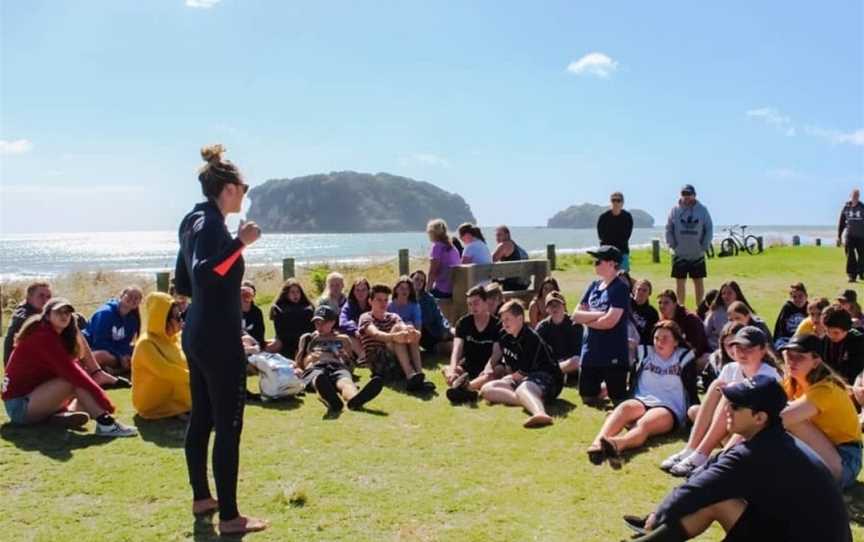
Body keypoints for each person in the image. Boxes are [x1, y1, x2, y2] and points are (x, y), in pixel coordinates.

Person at [627, 375, 852, 542]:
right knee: (716, 500)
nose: (726, 409)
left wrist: (658, 516)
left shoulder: (754, 453)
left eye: (735, 406)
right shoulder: (774, 441)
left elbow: (693, 491)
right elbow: (707, 472)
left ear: (759, 417)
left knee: (712, 500)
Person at [174, 144, 268, 534]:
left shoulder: (191, 221)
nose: (245, 193)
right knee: (228, 424)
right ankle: (230, 517)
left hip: (196, 332)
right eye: (243, 187)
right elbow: (208, 272)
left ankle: (202, 497)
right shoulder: (213, 225)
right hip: (217, 337)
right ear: (227, 188)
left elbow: (184, 280)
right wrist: (241, 244)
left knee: (202, 417)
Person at [2, 297, 137, 436]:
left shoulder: (55, 334)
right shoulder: (43, 337)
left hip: (32, 397)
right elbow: (73, 373)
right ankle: (106, 424)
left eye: (67, 312)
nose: (64, 315)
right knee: (74, 381)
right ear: (47, 316)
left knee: (82, 387)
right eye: (58, 312)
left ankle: (62, 416)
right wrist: (105, 403)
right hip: (18, 407)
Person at [661, 326, 780, 477]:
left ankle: (709, 458)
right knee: (717, 387)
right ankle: (692, 450)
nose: (742, 353)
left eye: (749, 348)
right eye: (738, 347)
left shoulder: (768, 377)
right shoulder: (731, 368)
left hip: (757, 435)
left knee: (731, 394)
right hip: (732, 428)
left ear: (763, 350)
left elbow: (755, 421)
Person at [588, 321, 698, 469]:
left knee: (644, 423)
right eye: (657, 338)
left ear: (676, 341)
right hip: (642, 399)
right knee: (625, 407)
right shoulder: (645, 353)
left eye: (665, 338)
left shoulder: (684, 357)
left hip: (668, 406)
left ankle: (617, 444)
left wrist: (692, 419)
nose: (660, 342)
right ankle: (597, 443)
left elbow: (692, 389)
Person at [779, 334, 862, 489]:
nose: (792, 361)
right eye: (789, 355)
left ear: (816, 361)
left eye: (800, 357)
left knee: (790, 420)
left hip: (845, 460)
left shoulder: (825, 389)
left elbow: (780, 418)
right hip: (820, 453)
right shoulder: (792, 382)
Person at [480, 300, 563, 428]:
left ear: (520, 319)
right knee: (487, 389)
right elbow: (511, 367)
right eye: (502, 320)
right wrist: (508, 378)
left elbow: (523, 371)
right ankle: (528, 400)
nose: (504, 323)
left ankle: (540, 414)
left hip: (548, 378)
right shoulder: (504, 335)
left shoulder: (531, 337)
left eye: (508, 319)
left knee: (523, 388)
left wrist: (510, 378)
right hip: (523, 378)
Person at [570, 246, 630, 405]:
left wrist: (587, 319)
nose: (595, 264)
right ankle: (605, 389)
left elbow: (609, 322)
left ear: (611, 264)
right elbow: (575, 315)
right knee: (587, 398)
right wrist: (600, 314)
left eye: (598, 261)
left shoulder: (620, 288)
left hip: (613, 354)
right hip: (591, 353)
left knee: (618, 399)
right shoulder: (593, 286)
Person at [295, 306, 383, 412]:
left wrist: (345, 357)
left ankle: (354, 399)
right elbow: (298, 363)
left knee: (346, 382)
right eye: (317, 322)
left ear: (332, 322)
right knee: (319, 380)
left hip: (337, 366)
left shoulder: (343, 339)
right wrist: (309, 358)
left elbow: (350, 365)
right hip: (315, 367)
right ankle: (330, 400)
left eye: (323, 322)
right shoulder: (308, 338)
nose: (319, 326)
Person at [359, 284, 435, 393]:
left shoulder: (393, 316)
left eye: (385, 300)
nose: (383, 303)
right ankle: (410, 375)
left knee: (409, 330)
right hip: (380, 363)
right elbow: (375, 334)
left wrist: (411, 331)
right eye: (379, 300)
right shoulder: (366, 317)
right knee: (398, 332)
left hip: (398, 361)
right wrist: (395, 336)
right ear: (370, 302)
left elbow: (403, 328)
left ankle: (419, 375)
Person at [131, 292, 192, 420]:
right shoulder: (146, 344)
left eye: (180, 316)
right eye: (177, 317)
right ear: (162, 319)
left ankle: (185, 407)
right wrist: (198, 378)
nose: (181, 320)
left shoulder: (175, 338)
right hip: (152, 403)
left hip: (173, 395)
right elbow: (165, 371)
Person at [444, 285, 503, 403]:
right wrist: (452, 368)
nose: (472, 307)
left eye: (476, 303)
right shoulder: (463, 322)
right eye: (469, 304)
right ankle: (468, 389)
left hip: (489, 365)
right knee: (446, 370)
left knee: (497, 371)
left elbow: (496, 353)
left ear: (486, 302)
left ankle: (464, 388)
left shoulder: (498, 325)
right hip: (468, 365)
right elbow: (457, 349)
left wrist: (488, 368)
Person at [665, 184, 713, 307]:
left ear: (694, 195)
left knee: (698, 281)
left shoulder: (702, 210)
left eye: (689, 194)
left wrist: (704, 246)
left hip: (697, 254)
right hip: (679, 254)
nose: (686, 197)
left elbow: (709, 228)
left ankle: (700, 308)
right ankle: (681, 308)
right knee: (680, 283)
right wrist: (672, 245)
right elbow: (668, 228)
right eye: (684, 194)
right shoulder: (674, 210)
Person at [84, 286, 143, 373]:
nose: (133, 299)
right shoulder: (105, 313)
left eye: (136, 298)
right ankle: (109, 369)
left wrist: (125, 355)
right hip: (94, 348)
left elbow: (125, 343)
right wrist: (120, 356)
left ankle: (113, 369)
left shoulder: (132, 319)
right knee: (100, 356)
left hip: (115, 353)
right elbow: (99, 342)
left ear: (139, 302)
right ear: (121, 296)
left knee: (141, 350)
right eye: (130, 295)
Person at [3, 281, 52, 365]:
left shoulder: (38, 311)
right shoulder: (23, 315)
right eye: (41, 296)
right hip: (19, 368)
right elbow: (24, 318)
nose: (45, 300)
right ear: (29, 297)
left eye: (48, 297)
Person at [536, 291, 583, 379]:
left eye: (557, 304)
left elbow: (578, 351)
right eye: (551, 305)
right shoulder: (542, 327)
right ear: (547, 309)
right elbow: (539, 352)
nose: (555, 308)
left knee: (576, 361)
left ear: (564, 306)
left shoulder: (575, 324)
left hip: (571, 362)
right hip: (552, 364)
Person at [657, 290, 709, 367]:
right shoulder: (662, 321)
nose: (662, 306)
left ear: (675, 304)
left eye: (666, 303)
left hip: (697, 356)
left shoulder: (690, 319)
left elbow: (696, 347)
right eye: (660, 303)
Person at [269, 279, 315, 360]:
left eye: (297, 292)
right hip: (286, 344)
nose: (295, 295)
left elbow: (311, 329)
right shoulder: (279, 308)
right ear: (286, 294)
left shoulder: (308, 308)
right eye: (292, 292)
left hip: (305, 343)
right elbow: (280, 333)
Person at [820, 304, 864, 387]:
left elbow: (856, 371)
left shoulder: (858, 342)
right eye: (827, 331)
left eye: (836, 333)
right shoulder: (823, 340)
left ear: (846, 330)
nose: (830, 336)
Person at [409, 270, 453, 352]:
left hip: (437, 329)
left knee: (458, 334)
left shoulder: (429, 298)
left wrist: (445, 330)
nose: (419, 282)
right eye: (417, 279)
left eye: (422, 281)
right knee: (451, 347)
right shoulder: (407, 300)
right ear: (411, 280)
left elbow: (439, 316)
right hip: (425, 335)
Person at [702, 281, 751, 352]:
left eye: (729, 293)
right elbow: (704, 332)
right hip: (715, 349)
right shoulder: (715, 312)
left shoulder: (745, 311)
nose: (726, 296)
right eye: (723, 293)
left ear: (737, 294)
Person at [597, 191, 634, 271]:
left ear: (622, 203)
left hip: (622, 251)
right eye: (613, 200)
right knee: (607, 277)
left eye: (618, 200)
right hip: (607, 252)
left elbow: (627, 235)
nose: (615, 203)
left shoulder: (627, 217)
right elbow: (601, 236)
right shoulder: (603, 217)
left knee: (623, 277)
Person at [426, 218, 461, 299]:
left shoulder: (437, 247)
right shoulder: (452, 248)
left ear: (432, 233)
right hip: (453, 289)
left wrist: (426, 292)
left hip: (442, 290)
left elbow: (432, 272)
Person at [339, 277, 372, 357]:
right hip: (356, 336)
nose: (360, 293)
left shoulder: (374, 303)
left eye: (363, 290)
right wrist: (355, 330)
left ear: (368, 291)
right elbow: (342, 322)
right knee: (349, 337)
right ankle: (364, 358)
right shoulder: (349, 305)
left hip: (372, 333)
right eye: (357, 290)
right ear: (353, 292)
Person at [491, 225, 530, 290]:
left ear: (507, 235)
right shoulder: (515, 245)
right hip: (523, 284)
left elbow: (491, 259)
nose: (497, 238)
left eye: (499, 235)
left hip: (513, 285)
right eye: (496, 236)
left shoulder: (504, 245)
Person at [838, 188, 864, 282]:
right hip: (850, 235)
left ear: (859, 197)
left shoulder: (862, 207)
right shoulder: (846, 207)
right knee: (850, 255)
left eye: (857, 196)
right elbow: (841, 222)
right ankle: (851, 275)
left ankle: (861, 272)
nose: (855, 197)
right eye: (854, 196)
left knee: (862, 256)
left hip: (861, 236)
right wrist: (839, 236)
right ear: (850, 196)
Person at [772, 282, 809, 349]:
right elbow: (780, 327)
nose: (797, 299)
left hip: (803, 339)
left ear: (806, 296)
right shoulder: (787, 308)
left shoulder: (809, 308)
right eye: (794, 297)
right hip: (787, 338)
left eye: (800, 296)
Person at [631, 279, 660, 347]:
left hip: (642, 346)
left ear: (649, 293)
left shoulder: (652, 312)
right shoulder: (625, 306)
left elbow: (652, 335)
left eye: (644, 290)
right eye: (639, 289)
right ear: (634, 291)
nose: (641, 292)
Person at [240, 281, 266, 348]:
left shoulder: (257, 312)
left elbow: (260, 336)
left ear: (253, 295)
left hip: (254, 347)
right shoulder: (233, 312)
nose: (245, 296)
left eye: (248, 293)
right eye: (243, 292)